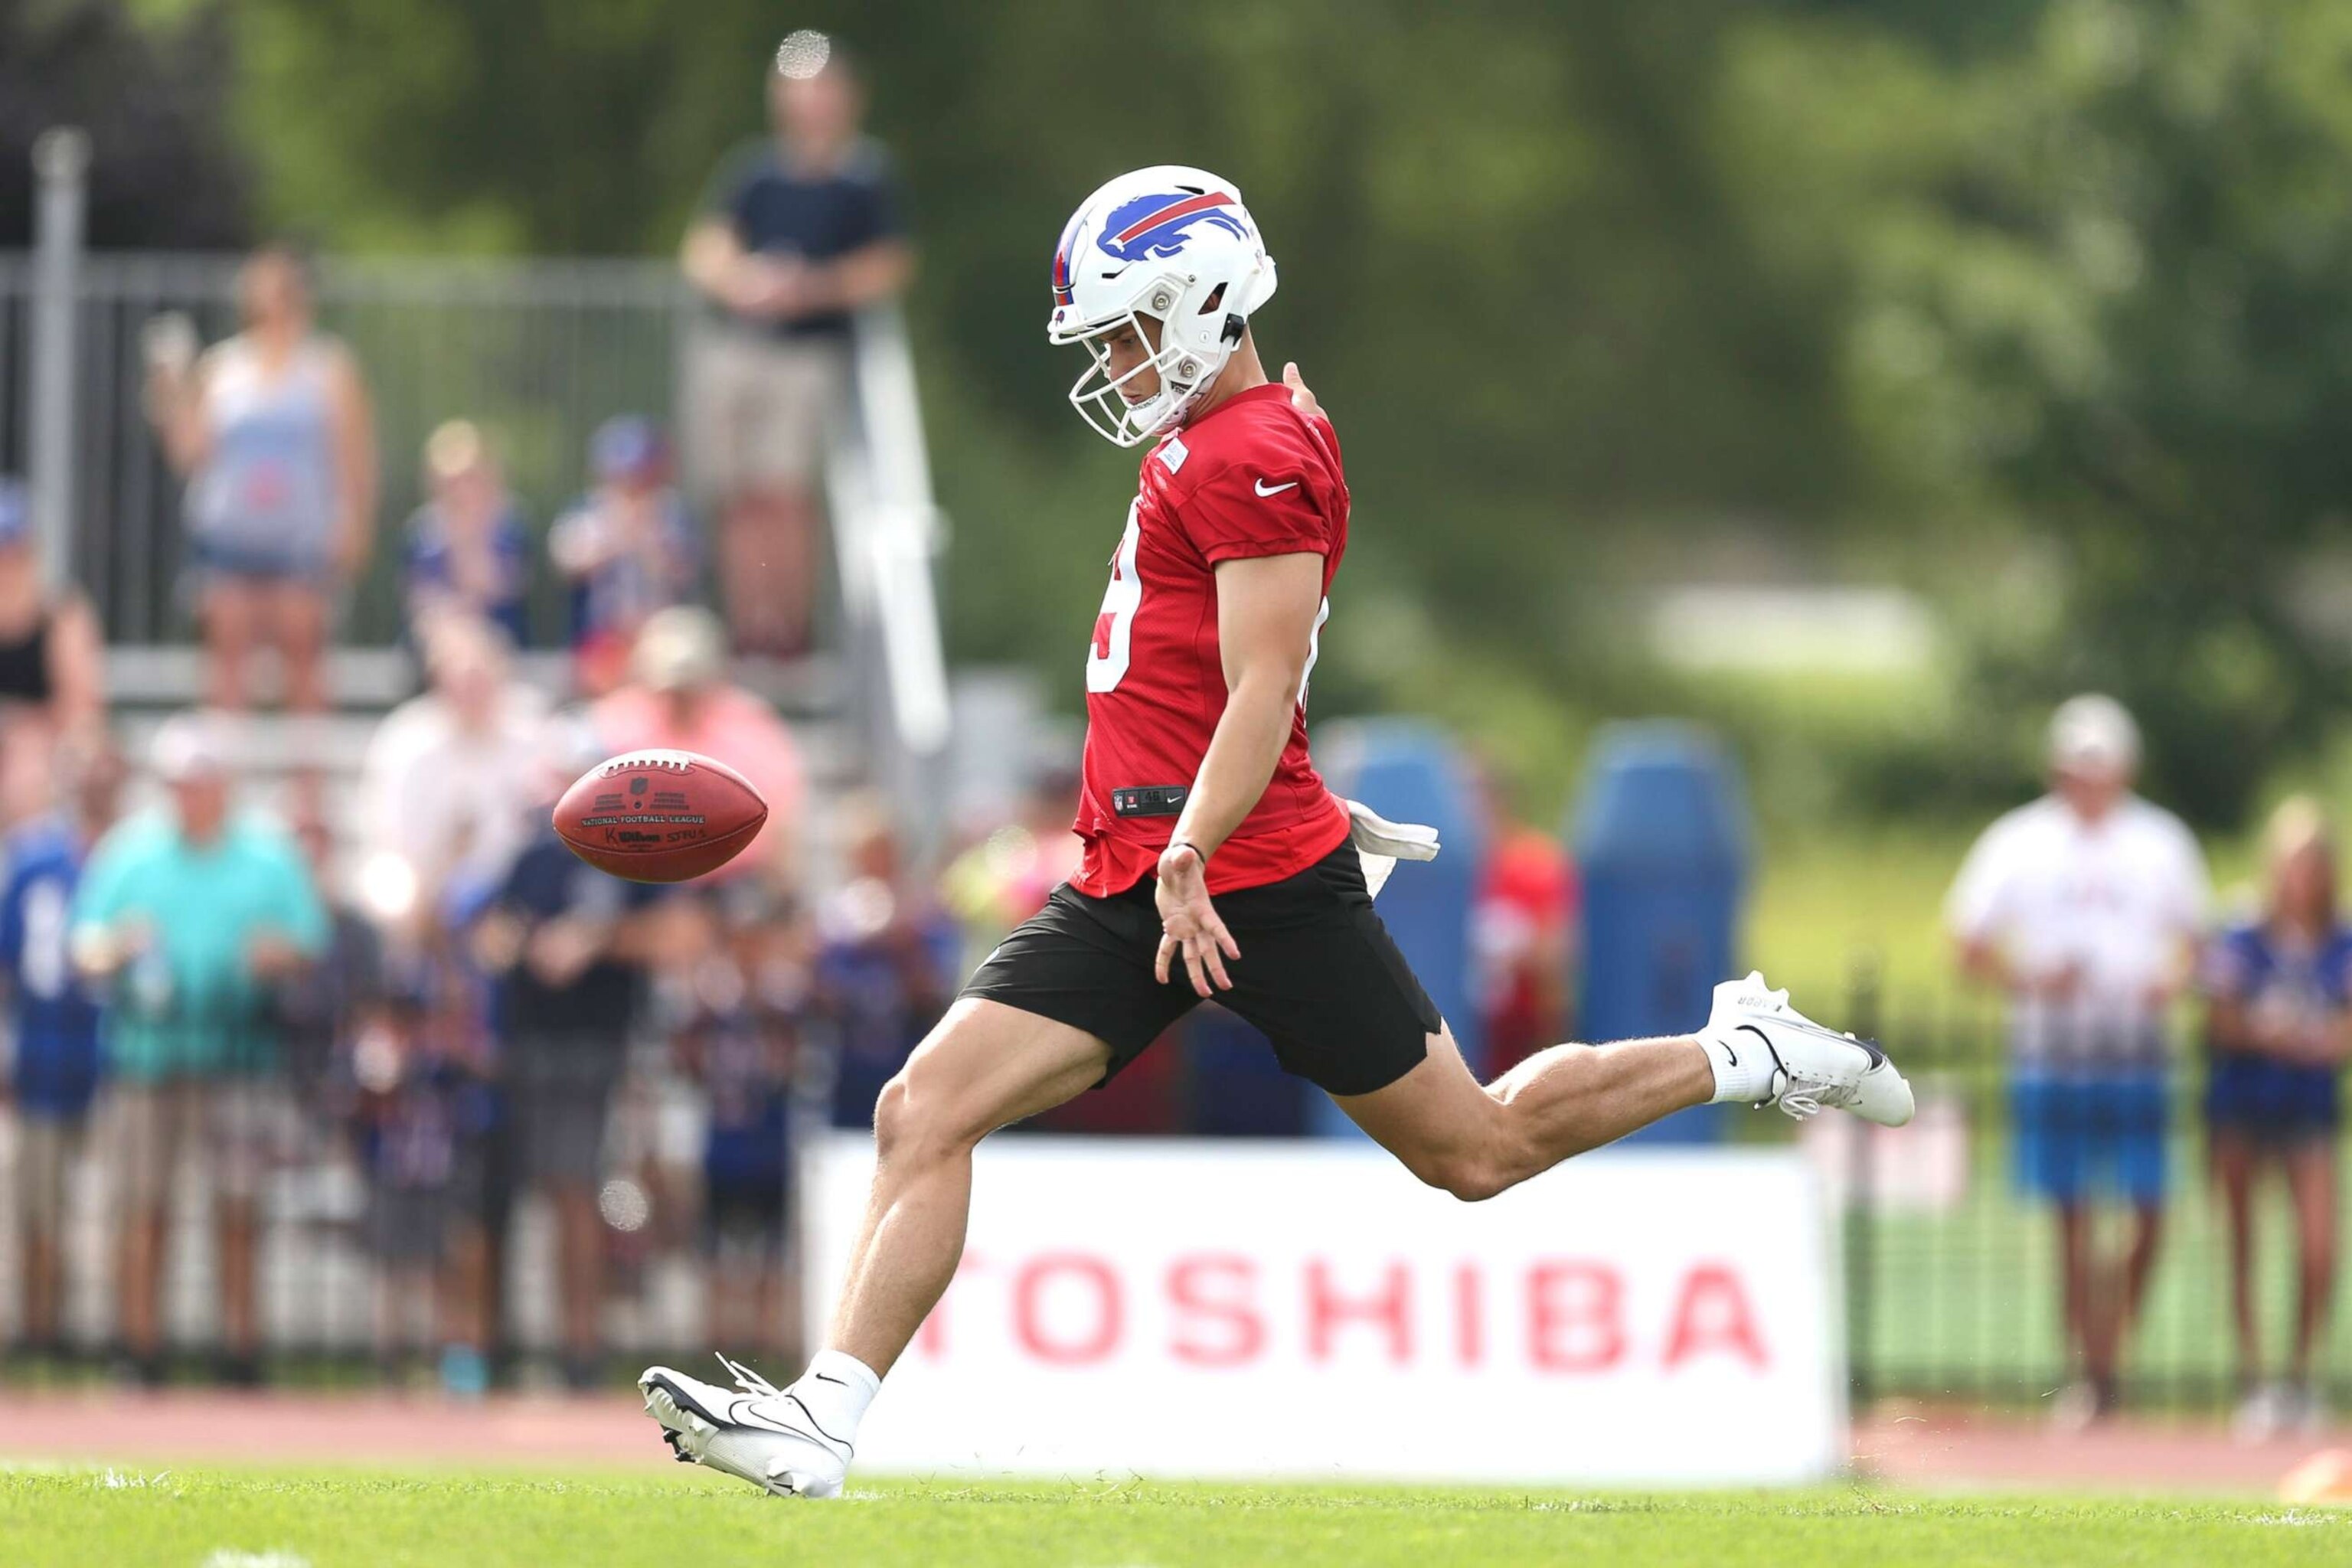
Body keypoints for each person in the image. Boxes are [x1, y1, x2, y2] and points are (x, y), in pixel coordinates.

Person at [639, 165, 1913, 1498]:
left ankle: (1737, 1047)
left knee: (1472, 1149)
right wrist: (1207, 821)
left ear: (1203, 297)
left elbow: (1262, 677)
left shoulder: (1254, 451)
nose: (1122, 362)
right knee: (923, 1107)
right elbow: (1242, 678)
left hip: (1244, 880)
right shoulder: (1231, 434)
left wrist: (1206, 835)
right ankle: (822, 1419)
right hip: (1138, 873)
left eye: (1134, 328)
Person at [1947, 694, 2209, 1425]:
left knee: (2147, 1213)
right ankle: (2089, 1372)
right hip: (2054, 1051)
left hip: (2135, 1051)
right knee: (2071, 1218)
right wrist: (2031, 980)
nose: (2088, 782)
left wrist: (2169, 983)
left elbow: (2201, 945)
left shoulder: (2161, 842)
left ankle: (2107, 1350)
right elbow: (1966, 944)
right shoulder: (2018, 842)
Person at [71, 715, 328, 1384]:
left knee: (239, 1209)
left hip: (239, 1055)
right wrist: (118, 948)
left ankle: (240, 1349)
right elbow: (85, 947)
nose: (191, 795)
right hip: (148, 1058)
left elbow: (310, 944)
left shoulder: (269, 853)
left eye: (202, 782)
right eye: (181, 784)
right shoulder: (130, 853)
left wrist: (277, 956)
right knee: (141, 1206)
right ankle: (139, 1350)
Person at [681, 28, 913, 656]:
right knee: (737, 497)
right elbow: (705, 251)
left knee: (784, 494)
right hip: (740, 349)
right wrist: (745, 282)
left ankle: (787, 625)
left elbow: (887, 266)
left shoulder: (863, 178)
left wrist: (808, 289)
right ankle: (747, 623)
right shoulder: (755, 174)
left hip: (808, 356)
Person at [470, 730, 664, 1390]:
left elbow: (678, 935)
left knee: (582, 1192)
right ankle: (504, 1348)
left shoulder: (635, 856)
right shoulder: (532, 855)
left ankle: (581, 1348)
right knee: (522, 1195)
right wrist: (525, 946)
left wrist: (597, 941)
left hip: (600, 1047)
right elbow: (492, 935)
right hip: (531, 1044)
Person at [143, 242, 378, 714]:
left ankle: (308, 786)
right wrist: (168, 395)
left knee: (305, 656)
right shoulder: (223, 367)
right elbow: (192, 452)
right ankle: (224, 778)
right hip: (231, 534)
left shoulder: (328, 368)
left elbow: (355, 456)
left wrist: (354, 525)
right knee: (225, 658)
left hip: (300, 538)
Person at [2202, 797, 2352, 1438]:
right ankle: (2254, 1379)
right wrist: (2268, 1033)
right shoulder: (2242, 930)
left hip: (2310, 1109)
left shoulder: (2342, 940)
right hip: (2243, 1103)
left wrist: (2315, 1040)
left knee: (2318, 1248)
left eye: (2311, 862)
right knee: (2243, 1240)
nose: (2300, 876)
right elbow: (2218, 1014)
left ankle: (2299, 1375)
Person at [0, 739, 122, 1354]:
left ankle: (106, 1337)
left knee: (116, 1208)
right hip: (44, 1057)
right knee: (37, 1207)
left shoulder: (135, 858)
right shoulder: (34, 860)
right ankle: (40, 1332)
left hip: (122, 1061)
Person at [593, 606, 804, 884]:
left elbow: (778, 822)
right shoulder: (614, 723)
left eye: (690, 689)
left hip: (732, 878)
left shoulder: (750, 729)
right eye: (672, 690)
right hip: (636, 879)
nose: (681, 700)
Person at [548, 417, 700, 697]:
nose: (632, 487)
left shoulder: (673, 513)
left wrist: (648, 541)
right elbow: (569, 564)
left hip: (659, 635)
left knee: (675, 660)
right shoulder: (585, 512)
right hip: (602, 640)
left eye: (640, 478)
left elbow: (683, 572)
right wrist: (615, 536)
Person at [400, 421, 531, 656]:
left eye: (470, 479)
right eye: (452, 482)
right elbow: (420, 600)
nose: (461, 491)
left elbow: (500, 589)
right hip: (440, 636)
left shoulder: (509, 526)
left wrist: (468, 540)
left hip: (497, 634)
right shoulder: (422, 532)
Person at [0, 477, 106, 750]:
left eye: (14, 555)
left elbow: (83, 711)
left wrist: (23, 731)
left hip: (47, 760)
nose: (7, 570)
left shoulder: (61, 618)